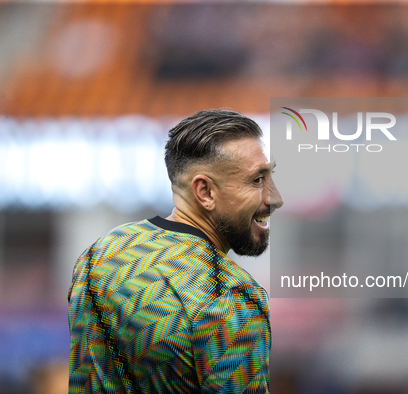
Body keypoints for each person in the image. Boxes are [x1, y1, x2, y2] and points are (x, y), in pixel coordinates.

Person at [68, 109, 283, 393]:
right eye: (257, 180)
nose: (275, 198)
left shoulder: (99, 255)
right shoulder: (229, 296)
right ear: (205, 192)